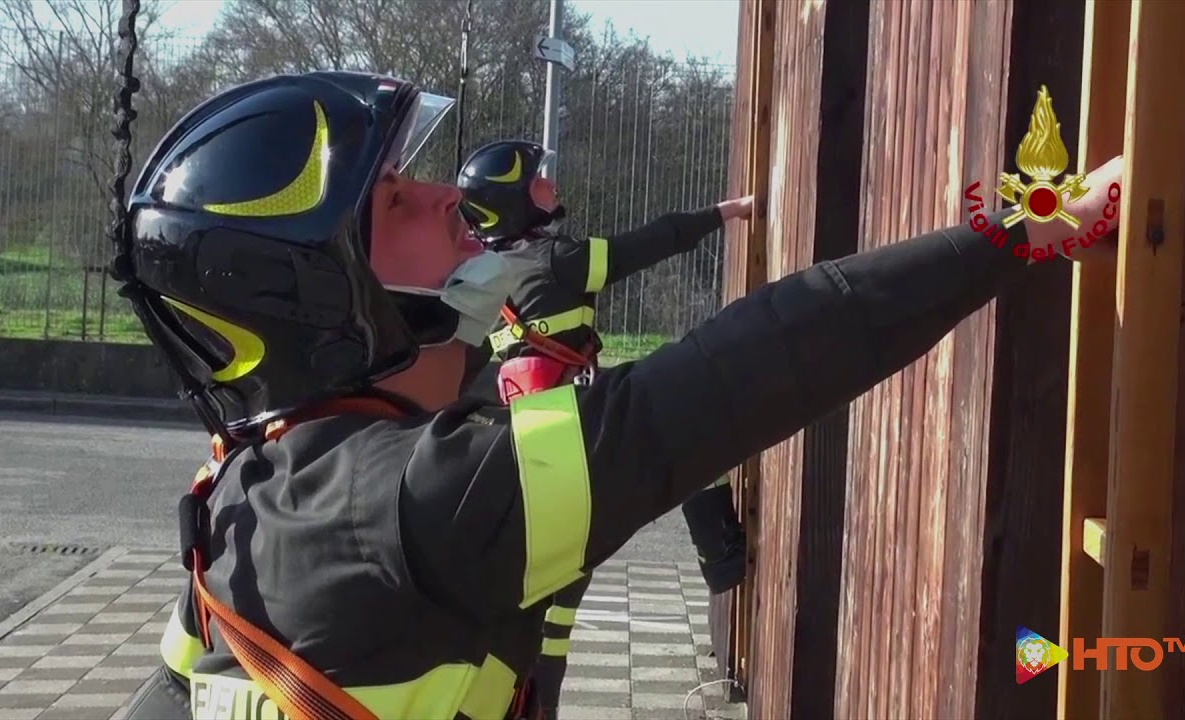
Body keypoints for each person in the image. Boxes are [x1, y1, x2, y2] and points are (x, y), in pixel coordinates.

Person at [107, 32, 1124, 720]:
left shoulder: (235, 495)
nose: (444, 203)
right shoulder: (439, 498)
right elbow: (766, 355)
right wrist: (1010, 232)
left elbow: (163, 696)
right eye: (396, 205)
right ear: (317, 295)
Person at [454, 139, 752, 719]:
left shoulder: (476, 273)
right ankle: (722, 554)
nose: (553, 186)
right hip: (572, 438)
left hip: (515, 449)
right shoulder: (560, 259)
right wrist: (725, 212)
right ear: (516, 201)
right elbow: (651, 243)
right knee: (685, 413)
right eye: (539, 181)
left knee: (547, 616)